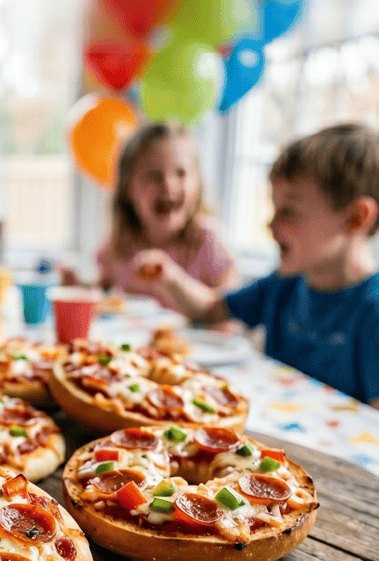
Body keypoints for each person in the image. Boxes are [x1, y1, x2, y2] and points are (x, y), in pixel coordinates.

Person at [154, 123, 379, 409]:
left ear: (355, 218)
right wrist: (170, 277)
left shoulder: (372, 311)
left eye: (288, 211)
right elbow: (210, 310)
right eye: (274, 208)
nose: (270, 223)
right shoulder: (283, 284)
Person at [91, 123, 238, 310]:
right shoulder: (118, 245)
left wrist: (172, 280)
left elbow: (231, 312)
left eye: (180, 173)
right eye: (153, 175)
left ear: (198, 184)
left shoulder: (208, 241)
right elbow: (102, 300)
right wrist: (78, 287)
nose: (168, 184)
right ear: (127, 188)